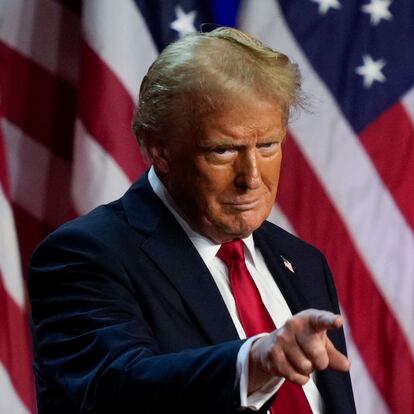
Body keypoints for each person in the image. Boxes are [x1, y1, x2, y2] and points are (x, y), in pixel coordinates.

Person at [29, 27, 356, 413]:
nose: (251, 177)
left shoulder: (302, 261)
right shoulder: (85, 255)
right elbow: (115, 388)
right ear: (159, 148)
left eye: (267, 145)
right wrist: (254, 362)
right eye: (222, 150)